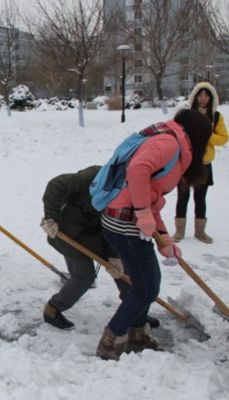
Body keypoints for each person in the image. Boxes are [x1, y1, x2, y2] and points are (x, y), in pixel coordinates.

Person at [96, 109, 212, 360]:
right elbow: (137, 170)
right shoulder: (170, 143)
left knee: (146, 285)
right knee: (146, 289)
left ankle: (137, 337)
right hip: (125, 222)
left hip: (126, 220)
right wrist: (142, 213)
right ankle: (110, 341)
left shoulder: (173, 142)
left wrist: (164, 239)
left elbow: (150, 195)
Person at [40, 165, 159, 331]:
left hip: (100, 233)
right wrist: (51, 217)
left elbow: (120, 226)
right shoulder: (100, 175)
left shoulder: (137, 195)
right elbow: (57, 185)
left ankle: (135, 312)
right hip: (69, 230)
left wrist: (114, 255)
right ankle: (53, 309)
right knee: (84, 276)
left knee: (124, 269)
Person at [172, 82, 228, 243]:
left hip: (204, 163)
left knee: (200, 197)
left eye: (206, 95)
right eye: (200, 95)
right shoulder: (187, 115)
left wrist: (208, 133)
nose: (203, 99)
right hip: (187, 161)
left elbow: (223, 138)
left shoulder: (216, 116)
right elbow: (177, 133)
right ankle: (179, 231)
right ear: (195, 97)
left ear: (211, 98)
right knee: (182, 196)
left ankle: (200, 231)